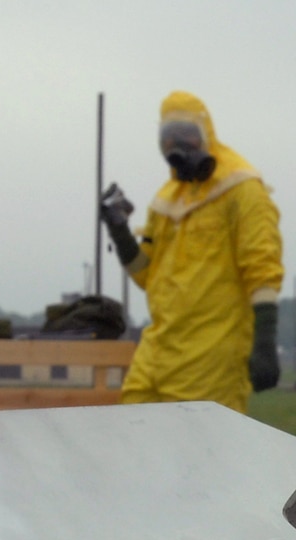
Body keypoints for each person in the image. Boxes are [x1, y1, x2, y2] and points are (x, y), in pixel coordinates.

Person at [101, 91, 284, 413]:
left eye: (186, 134)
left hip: (211, 357)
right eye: (168, 138)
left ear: (206, 133)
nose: (177, 145)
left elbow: (262, 266)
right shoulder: (167, 199)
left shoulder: (241, 188)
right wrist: (119, 230)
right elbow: (147, 275)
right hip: (157, 352)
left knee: (201, 453)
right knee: (132, 430)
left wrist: (265, 342)